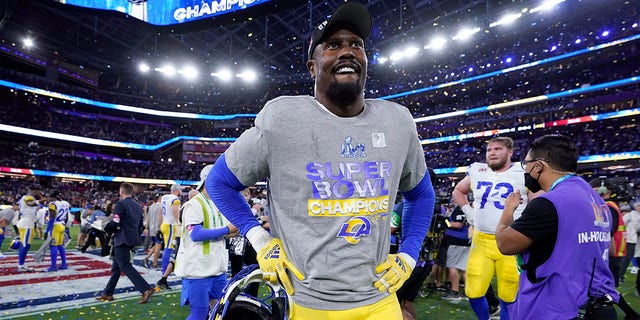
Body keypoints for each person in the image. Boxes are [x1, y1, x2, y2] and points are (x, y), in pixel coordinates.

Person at [205, 2, 435, 318]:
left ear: (366, 61)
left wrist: (408, 255)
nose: (347, 51)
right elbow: (219, 182)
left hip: (378, 298)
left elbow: (421, 194)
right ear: (313, 66)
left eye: (356, 44)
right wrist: (260, 239)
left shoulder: (397, 121)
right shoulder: (282, 117)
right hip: (306, 302)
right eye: (333, 45)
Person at [495, 134, 619, 319]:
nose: (525, 169)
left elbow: (505, 244)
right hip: (596, 304)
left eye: (526, 163)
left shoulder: (549, 203)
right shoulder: (598, 201)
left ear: (538, 166)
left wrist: (507, 212)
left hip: (553, 307)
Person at [451, 136, 535, 320]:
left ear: (510, 152)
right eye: (489, 150)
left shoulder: (524, 171)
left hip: (512, 242)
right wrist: (468, 211)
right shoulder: (477, 170)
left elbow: (539, 199)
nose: (492, 153)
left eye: (498, 149)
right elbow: (458, 190)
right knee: (473, 292)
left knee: (509, 295)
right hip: (481, 242)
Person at [175, 164, 238, 320]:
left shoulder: (217, 203)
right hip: (198, 270)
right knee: (199, 314)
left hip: (217, 267)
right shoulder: (193, 204)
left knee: (218, 311)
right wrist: (226, 230)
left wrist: (235, 230)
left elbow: (225, 232)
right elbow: (195, 234)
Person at [96, 183, 154, 304]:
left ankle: (145, 289)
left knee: (125, 266)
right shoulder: (138, 206)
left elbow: (116, 222)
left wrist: (105, 227)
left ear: (121, 192)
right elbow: (140, 226)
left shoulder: (120, 204)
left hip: (121, 239)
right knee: (116, 268)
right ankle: (108, 293)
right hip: (132, 239)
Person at [589, 177, 626, 288]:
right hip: (614, 254)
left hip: (610, 255)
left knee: (607, 290)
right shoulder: (611, 205)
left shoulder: (607, 207)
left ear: (603, 190)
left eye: (593, 190)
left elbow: (609, 233)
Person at [441, 205, 471, 302]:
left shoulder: (460, 207)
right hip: (467, 240)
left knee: (452, 267)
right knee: (464, 269)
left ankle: (455, 291)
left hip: (457, 241)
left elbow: (458, 224)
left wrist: (445, 222)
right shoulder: (470, 207)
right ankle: (468, 292)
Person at [45, 190, 70, 271]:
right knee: (60, 246)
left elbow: (52, 217)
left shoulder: (52, 204)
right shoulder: (66, 203)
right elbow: (66, 215)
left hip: (55, 226)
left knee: (53, 246)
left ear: (52, 197)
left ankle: (53, 266)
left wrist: (47, 230)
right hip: (62, 225)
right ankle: (64, 263)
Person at [160, 184, 182, 275]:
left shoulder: (164, 197)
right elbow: (175, 211)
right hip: (171, 225)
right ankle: (165, 271)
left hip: (165, 223)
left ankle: (167, 268)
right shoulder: (175, 199)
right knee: (168, 248)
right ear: (178, 190)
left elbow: (160, 211)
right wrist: (179, 223)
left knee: (168, 247)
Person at [16, 195, 39, 272]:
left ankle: (20, 263)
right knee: (26, 245)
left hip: (26, 224)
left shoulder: (32, 200)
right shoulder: (27, 198)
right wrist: (39, 201)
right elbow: (30, 203)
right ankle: (21, 265)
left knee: (24, 244)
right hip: (27, 224)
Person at [142, 194, 162, 269]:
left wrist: (146, 227)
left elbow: (148, 218)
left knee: (156, 244)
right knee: (158, 246)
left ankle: (147, 258)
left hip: (152, 228)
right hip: (158, 228)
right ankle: (155, 263)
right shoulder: (161, 206)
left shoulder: (152, 206)